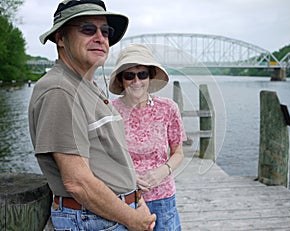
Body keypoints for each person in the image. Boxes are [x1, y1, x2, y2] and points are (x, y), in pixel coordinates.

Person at [28, 1, 156, 230]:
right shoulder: (60, 90)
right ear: (60, 38)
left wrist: (137, 201)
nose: (100, 37)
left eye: (106, 31)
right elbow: (77, 182)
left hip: (112, 214)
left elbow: (111, 160)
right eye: (88, 29)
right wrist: (131, 218)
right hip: (94, 219)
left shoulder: (87, 86)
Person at [109, 43, 186, 230]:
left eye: (142, 74)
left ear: (150, 77)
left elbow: (178, 153)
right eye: (129, 75)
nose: (137, 81)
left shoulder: (168, 108)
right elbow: (105, 157)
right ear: (121, 80)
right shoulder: (109, 110)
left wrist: (161, 172)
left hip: (164, 198)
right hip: (124, 199)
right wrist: (130, 177)